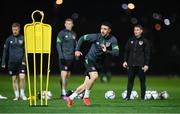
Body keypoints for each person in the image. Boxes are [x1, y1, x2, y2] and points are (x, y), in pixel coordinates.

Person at [67, 22, 119, 107]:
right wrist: (76, 50)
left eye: (105, 29)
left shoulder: (113, 39)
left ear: (109, 30)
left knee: (85, 85)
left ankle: (71, 97)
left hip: (99, 64)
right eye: (102, 28)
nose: (102, 30)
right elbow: (82, 38)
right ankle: (86, 97)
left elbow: (116, 53)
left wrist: (107, 51)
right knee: (94, 76)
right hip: (89, 60)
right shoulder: (96, 36)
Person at [123, 24, 150, 100]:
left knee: (142, 81)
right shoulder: (130, 40)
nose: (136, 31)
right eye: (135, 30)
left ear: (141, 31)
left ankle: (142, 98)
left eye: (137, 30)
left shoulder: (145, 41)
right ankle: (127, 97)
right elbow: (126, 51)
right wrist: (125, 61)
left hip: (141, 64)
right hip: (131, 64)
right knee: (130, 81)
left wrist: (146, 65)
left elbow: (147, 54)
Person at [1, 22, 27, 100]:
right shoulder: (9, 39)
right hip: (11, 62)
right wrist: (3, 62)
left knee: (22, 77)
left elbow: (26, 50)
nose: (14, 31)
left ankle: (22, 94)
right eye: (13, 30)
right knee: (14, 79)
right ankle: (17, 95)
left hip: (21, 62)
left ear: (19, 29)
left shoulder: (23, 38)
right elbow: (5, 51)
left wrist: (24, 60)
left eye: (16, 29)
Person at [56, 18, 77, 99]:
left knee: (67, 76)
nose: (68, 25)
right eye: (67, 23)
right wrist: (60, 55)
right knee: (64, 75)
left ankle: (63, 89)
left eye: (70, 24)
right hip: (63, 57)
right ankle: (63, 93)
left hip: (71, 58)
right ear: (65, 24)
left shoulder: (74, 34)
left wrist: (76, 54)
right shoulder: (61, 33)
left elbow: (76, 45)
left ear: (72, 25)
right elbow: (58, 44)